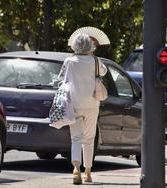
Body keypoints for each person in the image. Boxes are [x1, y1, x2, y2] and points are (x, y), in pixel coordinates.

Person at [58, 33, 107, 184]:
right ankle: (88, 171)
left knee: (76, 138)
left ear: (75, 45)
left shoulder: (70, 61)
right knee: (89, 138)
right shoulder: (95, 60)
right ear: (90, 46)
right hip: (92, 104)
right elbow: (104, 72)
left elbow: (60, 77)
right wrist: (93, 55)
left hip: (74, 103)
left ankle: (75, 169)